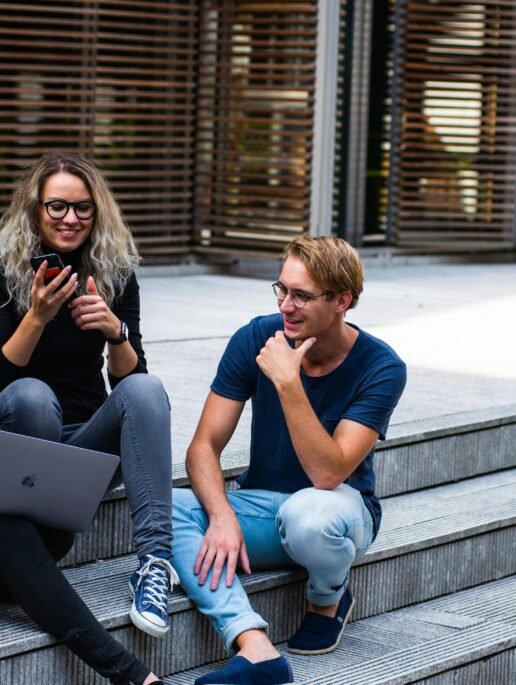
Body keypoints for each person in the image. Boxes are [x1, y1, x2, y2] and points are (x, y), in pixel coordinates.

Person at [172, 234, 407, 685]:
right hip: (261, 506)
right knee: (167, 508)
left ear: (342, 300)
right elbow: (203, 447)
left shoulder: (382, 367)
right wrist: (221, 515)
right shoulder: (256, 336)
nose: (286, 305)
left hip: (337, 510)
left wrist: (288, 383)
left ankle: (328, 597)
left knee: (309, 515)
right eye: (281, 289)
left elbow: (328, 472)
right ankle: (253, 646)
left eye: (301, 295)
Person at [0, 150, 179, 684]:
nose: (69, 219)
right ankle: (34, 517)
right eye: (57, 206)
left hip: (84, 444)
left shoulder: (114, 273)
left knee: (147, 390)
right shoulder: (5, 271)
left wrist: (113, 332)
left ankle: (153, 563)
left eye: (82, 209)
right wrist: (36, 317)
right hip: (20, 438)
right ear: (34, 210)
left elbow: (130, 383)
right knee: (31, 394)